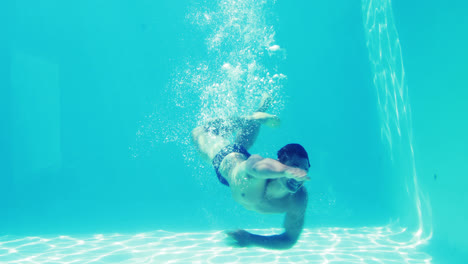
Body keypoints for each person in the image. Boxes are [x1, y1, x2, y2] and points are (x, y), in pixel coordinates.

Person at [191, 96, 310, 249]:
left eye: (304, 170)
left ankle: (256, 116)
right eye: (295, 166)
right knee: (198, 132)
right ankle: (248, 118)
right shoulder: (259, 166)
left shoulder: (298, 199)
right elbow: (255, 167)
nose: (299, 173)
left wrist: (251, 239)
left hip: (240, 169)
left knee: (241, 144)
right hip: (226, 158)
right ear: (281, 162)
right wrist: (288, 171)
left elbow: (290, 239)